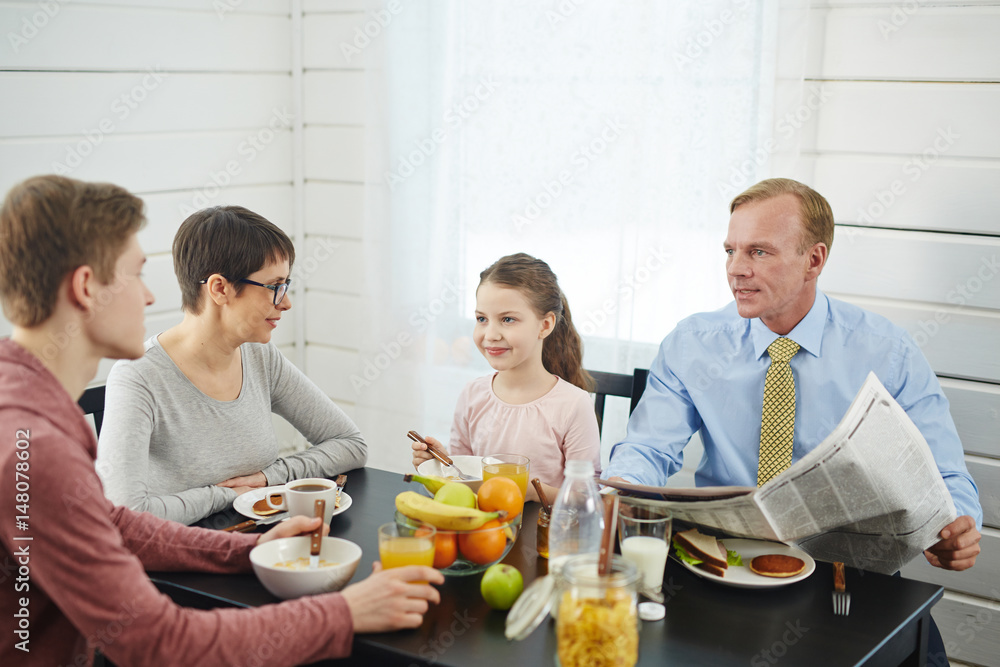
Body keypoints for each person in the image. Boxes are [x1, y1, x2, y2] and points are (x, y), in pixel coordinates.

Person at [0, 175, 443, 667]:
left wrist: (241, 552)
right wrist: (343, 613)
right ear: (86, 287)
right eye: (137, 274)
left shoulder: (31, 407)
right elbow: (158, 643)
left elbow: (115, 523)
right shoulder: (34, 447)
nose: (150, 297)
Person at [605, 178, 982, 575]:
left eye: (759, 252)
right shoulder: (692, 344)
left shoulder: (888, 352)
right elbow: (648, 449)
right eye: (730, 251)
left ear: (814, 261)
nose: (736, 269)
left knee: (923, 639)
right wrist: (621, 489)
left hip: (842, 573)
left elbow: (945, 475)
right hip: (725, 563)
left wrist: (954, 528)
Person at [96, 205, 367, 525]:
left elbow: (351, 445)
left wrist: (270, 477)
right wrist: (228, 495)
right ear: (220, 289)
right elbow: (125, 514)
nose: (286, 302)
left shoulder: (260, 357)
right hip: (178, 562)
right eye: (275, 286)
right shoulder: (139, 377)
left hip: (261, 542)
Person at [410, 253, 600, 501]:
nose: (490, 334)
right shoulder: (472, 394)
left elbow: (586, 496)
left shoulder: (574, 404)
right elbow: (463, 477)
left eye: (508, 319)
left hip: (542, 535)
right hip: (482, 530)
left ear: (545, 325)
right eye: (482, 319)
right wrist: (441, 463)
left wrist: (530, 491)